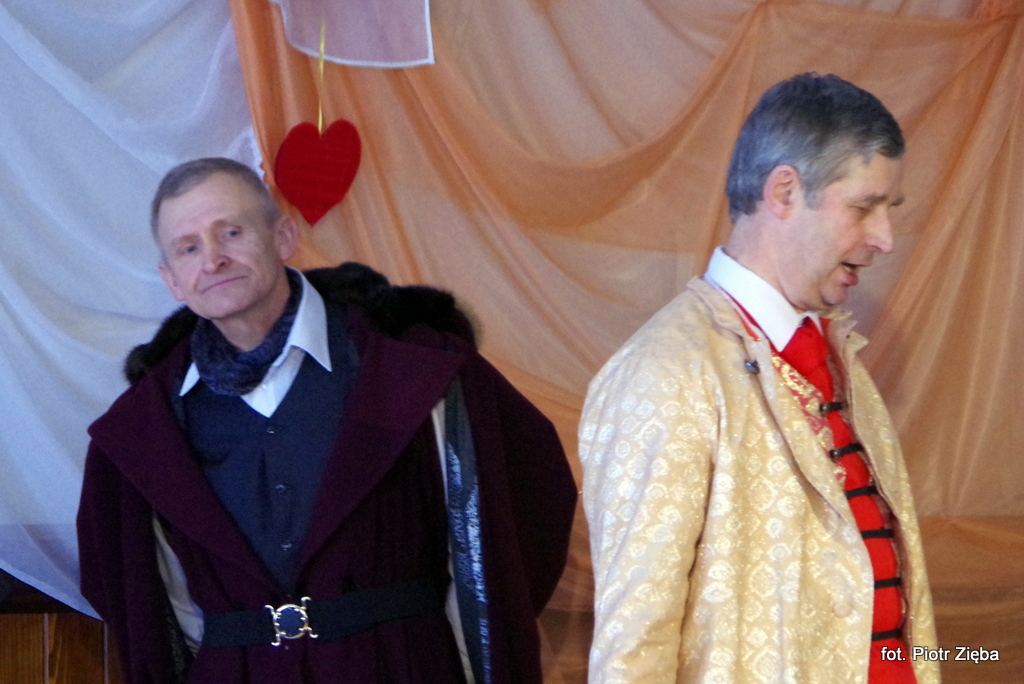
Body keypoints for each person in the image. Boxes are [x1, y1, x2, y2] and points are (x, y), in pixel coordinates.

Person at [77, 158, 577, 684]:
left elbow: (526, 514)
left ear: (283, 237)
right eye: (189, 248)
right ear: (172, 280)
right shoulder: (142, 429)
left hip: (402, 666)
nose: (214, 259)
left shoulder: (421, 371)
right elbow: (138, 595)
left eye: (231, 233)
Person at [580, 73, 940, 683]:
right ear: (784, 192)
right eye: (864, 207)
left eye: (889, 210)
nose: (885, 238)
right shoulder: (664, 373)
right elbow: (632, 649)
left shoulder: (840, 360)